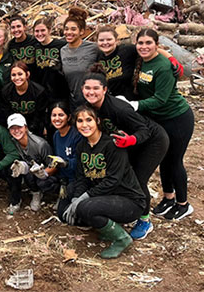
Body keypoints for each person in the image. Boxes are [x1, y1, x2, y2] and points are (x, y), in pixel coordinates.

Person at [81, 65, 169, 240]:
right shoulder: (88, 106)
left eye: (96, 88)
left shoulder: (118, 108)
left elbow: (144, 130)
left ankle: (145, 220)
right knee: (123, 175)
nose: (91, 92)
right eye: (87, 88)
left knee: (138, 179)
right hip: (126, 141)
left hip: (152, 140)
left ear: (105, 90)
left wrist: (131, 140)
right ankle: (124, 211)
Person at [58, 106, 145, 259]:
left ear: (97, 121)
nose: (84, 125)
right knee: (66, 202)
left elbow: (113, 181)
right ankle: (105, 227)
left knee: (84, 207)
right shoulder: (82, 146)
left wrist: (82, 199)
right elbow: (81, 177)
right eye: (80, 121)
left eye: (89, 120)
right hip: (104, 196)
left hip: (128, 200)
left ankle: (122, 239)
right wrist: (75, 199)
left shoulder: (112, 145)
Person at [132, 28, 195, 220]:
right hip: (159, 119)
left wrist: (136, 105)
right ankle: (168, 198)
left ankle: (183, 204)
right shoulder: (141, 60)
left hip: (177, 117)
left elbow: (160, 99)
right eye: (140, 43)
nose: (144, 46)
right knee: (164, 159)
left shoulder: (164, 66)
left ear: (156, 45)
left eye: (148, 43)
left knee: (175, 160)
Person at [96, 25, 184, 101]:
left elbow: (151, 49)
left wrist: (171, 59)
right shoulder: (96, 56)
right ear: (97, 42)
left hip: (131, 101)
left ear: (116, 40)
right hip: (110, 99)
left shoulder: (126, 50)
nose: (105, 43)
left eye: (109, 39)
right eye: (101, 40)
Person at [7, 113, 55, 212]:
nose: (16, 131)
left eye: (19, 127)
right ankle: (35, 192)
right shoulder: (12, 142)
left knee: (44, 183)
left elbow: (53, 165)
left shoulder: (40, 144)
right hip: (30, 170)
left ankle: (47, 194)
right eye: (12, 128)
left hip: (46, 173)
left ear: (25, 127)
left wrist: (44, 173)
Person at [60, 7, 100, 109]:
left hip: (92, 101)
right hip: (74, 101)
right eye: (66, 29)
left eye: (73, 29)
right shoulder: (63, 51)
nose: (69, 32)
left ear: (81, 31)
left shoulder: (93, 48)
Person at [1, 61, 48, 135]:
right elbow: (7, 113)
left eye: (20, 74)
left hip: (35, 126)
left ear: (27, 74)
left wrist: (30, 129)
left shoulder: (39, 91)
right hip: (15, 125)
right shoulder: (6, 91)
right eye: (13, 75)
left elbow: (39, 115)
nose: (17, 78)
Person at [32, 17, 70, 101]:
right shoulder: (35, 47)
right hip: (42, 91)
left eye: (43, 30)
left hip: (60, 91)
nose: (40, 34)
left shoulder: (61, 45)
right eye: (37, 31)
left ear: (49, 30)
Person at [50, 101, 83, 187]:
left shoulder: (76, 135)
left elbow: (80, 162)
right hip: (63, 177)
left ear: (68, 117)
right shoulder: (56, 135)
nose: (57, 118)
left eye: (61, 115)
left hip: (76, 178)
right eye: (54, 115)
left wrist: (66, 163)